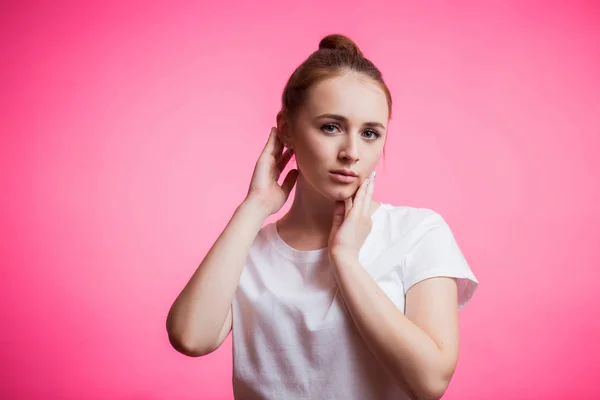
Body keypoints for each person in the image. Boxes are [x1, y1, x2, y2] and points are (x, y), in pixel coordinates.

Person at [166, 33, 478, 400]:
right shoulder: (247, 250)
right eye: (331, 127)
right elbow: (191, 337)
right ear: (287, 130)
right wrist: (254, 207)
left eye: (370, 133)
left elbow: (429, 382)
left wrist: (345, 260)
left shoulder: (418, 233)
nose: (351, 152)